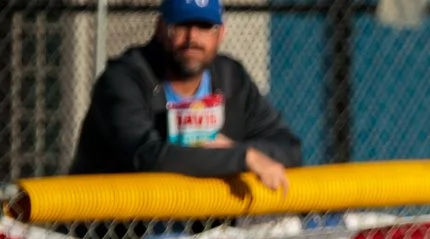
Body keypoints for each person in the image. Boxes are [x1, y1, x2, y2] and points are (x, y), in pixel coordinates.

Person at [68, 0, 302, 194]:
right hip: (119, 236)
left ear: (221, 33)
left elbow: (289, 147)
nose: (192, 38)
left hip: (204, 236)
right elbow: (148, 157)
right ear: (160, 28)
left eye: (204, 26)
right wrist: (241, 157)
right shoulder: (124, 79)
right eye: (181, 26)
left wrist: (237, 150)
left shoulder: (231, 78)